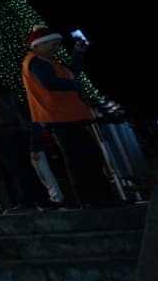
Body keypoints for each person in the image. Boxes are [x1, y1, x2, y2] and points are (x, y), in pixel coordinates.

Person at [21, 25, 119, 207]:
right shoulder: (37, 62)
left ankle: (100, 197)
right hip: (61, 118)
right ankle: (93, 199)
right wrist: (77, 86)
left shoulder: (47, 61)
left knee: (88, 157)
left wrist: (79, 53)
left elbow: (71, 74)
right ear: (39, 45)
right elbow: (50, 83)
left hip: (67, 117)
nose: (57, 47)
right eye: (53, 44)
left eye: (58, 44)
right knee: (82, 159)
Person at [0, 75, 55, 211]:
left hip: (0, 133)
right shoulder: (4, 89)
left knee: (16, 170)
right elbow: (21, 108)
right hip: (20, 131)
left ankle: (26, 202)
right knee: (27, 167)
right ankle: (43, 200)